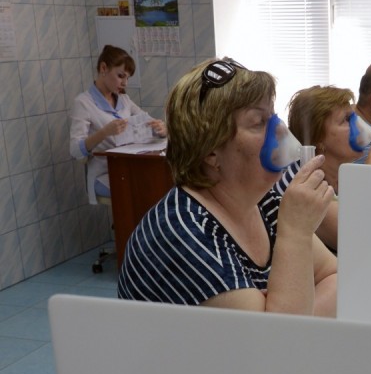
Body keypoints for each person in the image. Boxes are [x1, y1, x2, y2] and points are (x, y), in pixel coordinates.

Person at [118, 58, 337, 317]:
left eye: (272, 117)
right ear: (211, 151)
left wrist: (289, 310)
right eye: (259, 122)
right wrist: (296, 233)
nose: (280, 131)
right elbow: (277, 338)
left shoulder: (263, 203)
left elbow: (334, 276)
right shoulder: (183, 233)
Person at [287, 85, 371, 252]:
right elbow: (362, 241)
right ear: (318, 138)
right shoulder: (305, 185)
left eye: (354, 118)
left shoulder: (341, 176)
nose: (358, 127)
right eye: (346, 120)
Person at [69, 45, 166, 204]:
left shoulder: (124, 100)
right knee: (147, 191)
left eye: (127, 78)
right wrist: (104, 132)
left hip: (129, 168)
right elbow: (74, 150)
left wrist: (161, 129)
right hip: (104, 174)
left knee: (162, 184)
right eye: (121, 76)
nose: (125, 83)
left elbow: (148, 121)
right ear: (103, 68)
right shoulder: (83, 103)